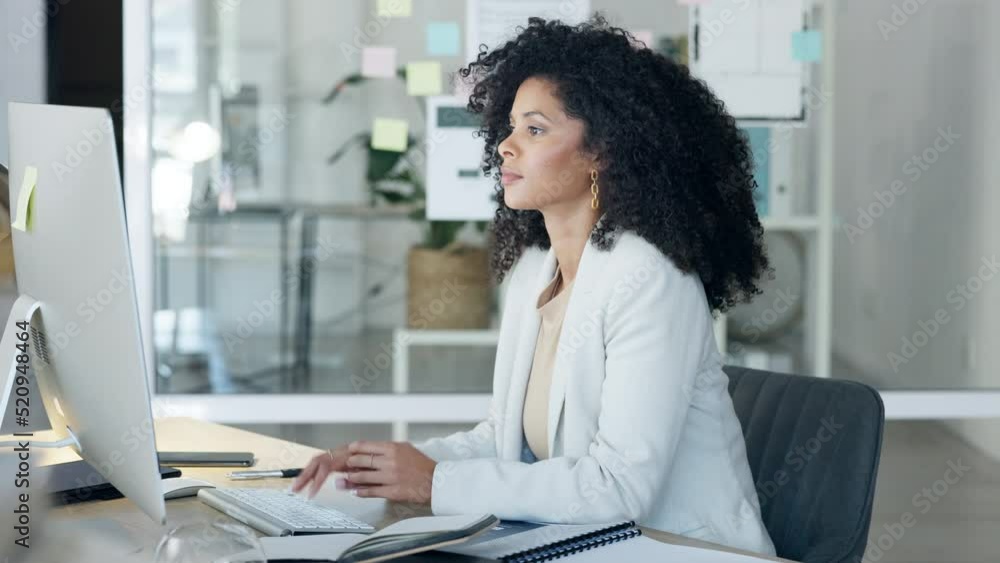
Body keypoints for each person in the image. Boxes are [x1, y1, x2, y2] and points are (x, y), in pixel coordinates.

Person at [293, 14, 776, 556]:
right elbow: (504, 439)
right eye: (510, 126)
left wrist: (435, 483)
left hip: (682, 548)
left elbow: (619, 487)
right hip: (586, 542)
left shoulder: (651, 280)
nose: (506, 145)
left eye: (535, 129)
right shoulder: (534, 271)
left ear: (601, 152)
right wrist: (389, 467)